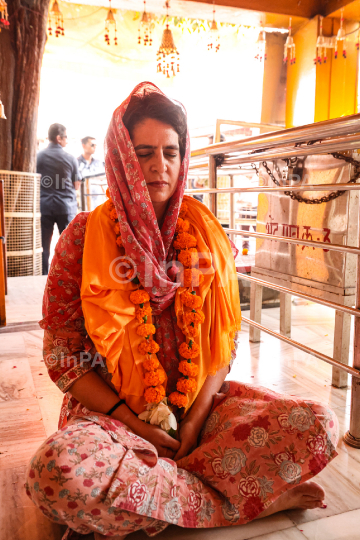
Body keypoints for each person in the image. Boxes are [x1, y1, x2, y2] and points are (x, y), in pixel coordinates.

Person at [26, 83, 338, 540]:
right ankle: (241, 502)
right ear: (121, 158)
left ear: (184, 156)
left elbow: (224, 342)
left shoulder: (205, 230)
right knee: (56, 473)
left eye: (171, 152)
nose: (159, 166)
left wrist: (193, 422)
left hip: (201, 413)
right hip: (116, 424)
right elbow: (63, 356)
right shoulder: (83, 236)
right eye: (144, 153)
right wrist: (134, 423)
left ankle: (156, 496)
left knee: (320, 426)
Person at [37, 123, 80, 275]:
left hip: (44, 206)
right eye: (66, 137)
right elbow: (76, 185)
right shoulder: (70, 158)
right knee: (68, 245)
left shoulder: (38, 156)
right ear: (58, 138)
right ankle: (66, 276)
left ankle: (43, 274)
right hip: (65, 207)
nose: (67, 141)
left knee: (44, 245)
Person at [78, 136, 105, 209]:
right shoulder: (76, 163)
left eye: (95, 145)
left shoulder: (99, 163)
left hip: (98, 202)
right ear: (83, 145)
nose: (94, 147)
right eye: (92, 145)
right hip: (83, 202)